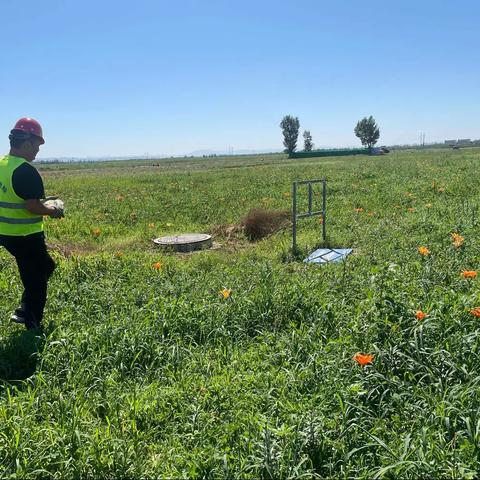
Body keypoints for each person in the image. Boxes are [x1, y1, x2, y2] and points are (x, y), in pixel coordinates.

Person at [0, 118, 63, 330]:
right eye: (37, 145)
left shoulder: (2, 165)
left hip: (6, 234)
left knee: (46, 266)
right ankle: (31, 324)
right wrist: (53, 210)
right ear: (26, 142)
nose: (37, 150)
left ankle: (24, 310)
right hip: (25, 235)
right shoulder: (26, 170)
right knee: (37, 281)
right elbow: (32, 207)